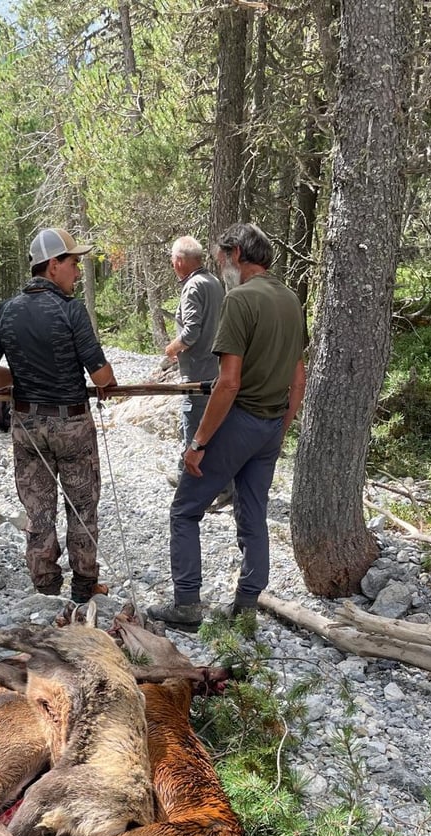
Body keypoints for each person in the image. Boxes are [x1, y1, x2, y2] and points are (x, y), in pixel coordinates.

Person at [149, 223, 306, 631]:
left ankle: (186, 604)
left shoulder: (240, 299)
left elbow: (229, 382)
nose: (221, 269)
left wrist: (198, 442)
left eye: (221, 260)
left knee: (184, 510)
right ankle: (247, 606)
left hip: (241, 422)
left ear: (236, 253)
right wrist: (282, 426)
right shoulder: (290, 299)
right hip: (271, 425)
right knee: (252, 514)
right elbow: (299, 378)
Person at [0, 227, 117, 602]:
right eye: (73, 262)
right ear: (53, 265)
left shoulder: (4, 312)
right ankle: (85, 589)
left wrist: (20, 375)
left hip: (26, 425)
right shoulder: (71, 310)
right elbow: (102, 376)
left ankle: (45, 592)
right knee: (82, 505)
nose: (77, 270)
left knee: (38, 509)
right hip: (70, 423)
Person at [163, 236, 224, 480]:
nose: (171, 264)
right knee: (213, 428)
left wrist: (172, 349)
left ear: (179, 261)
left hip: (198, 372)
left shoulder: (193, 286)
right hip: (215, 368)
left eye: (172, 259)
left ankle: (189, 481)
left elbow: (190, 332)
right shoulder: (214, 282)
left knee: (193, 426)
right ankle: (221, 485)